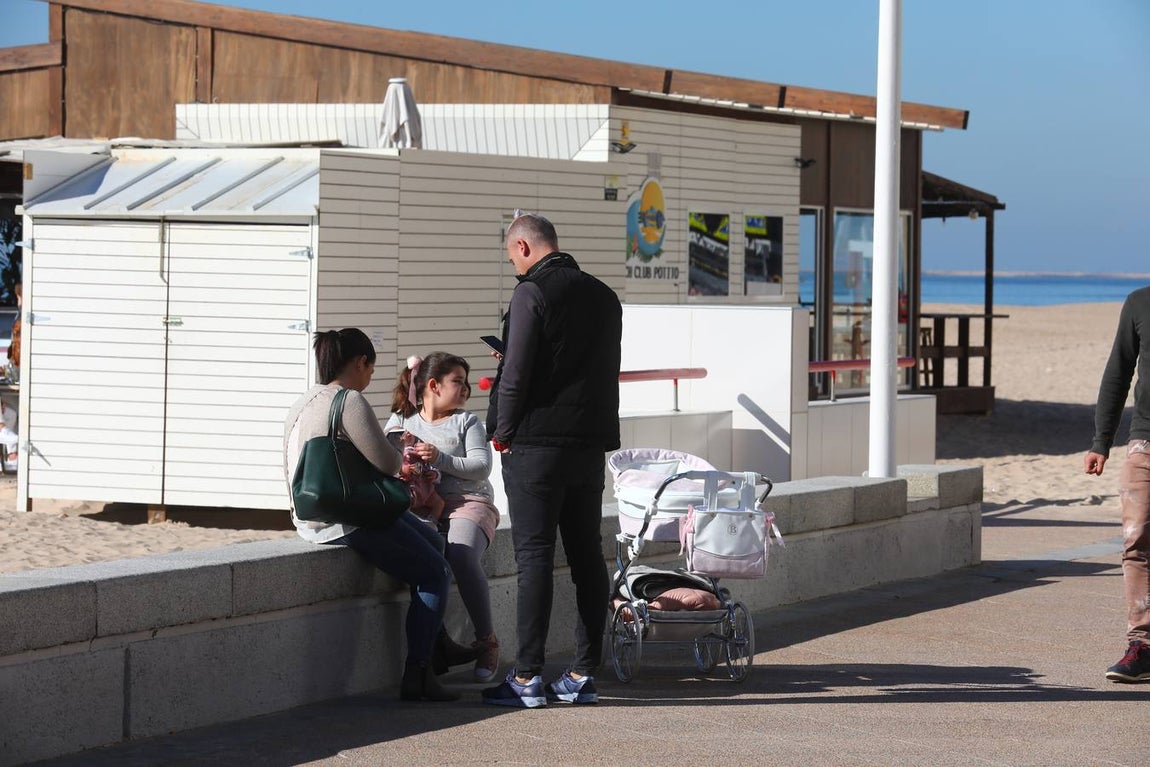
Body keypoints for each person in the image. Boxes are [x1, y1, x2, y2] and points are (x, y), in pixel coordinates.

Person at [481, 212, 622, 708]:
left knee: (535, 556)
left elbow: (516, 371)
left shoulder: (531, 293)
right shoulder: (605, 296)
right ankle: (584, 672)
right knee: (587, 555)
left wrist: (502, 429)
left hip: (537, 444)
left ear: (522, 246)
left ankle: (527, 677)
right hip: (588, 444)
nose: (515, 269)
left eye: (512, 259)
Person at [283, 328, 457, 702]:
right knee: (435, 572)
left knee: (431, 539)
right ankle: (419, 673)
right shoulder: (349, 401)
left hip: (310, 515)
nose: (370, 377)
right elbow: (388, 462)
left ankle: (439, 642)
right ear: (361, 362)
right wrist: (399, 449)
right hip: (346, 517)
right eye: (371, 369)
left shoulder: (304, 400)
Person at [386, 352, 502, 681]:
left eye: (466, 383)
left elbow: (481, 466)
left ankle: (487, 640)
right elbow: (383, 458)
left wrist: (440, 458)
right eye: (458, 382)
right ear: (433, 385)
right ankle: (437, 644)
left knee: (462, 554)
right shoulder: (401, 420)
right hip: (417, 504)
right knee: (418, 555)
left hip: (468, 501)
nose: (465, 389)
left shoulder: (468, 422)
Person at [1085, 285, 1150, 683]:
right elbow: (1118, 372)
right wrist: (1101, 442)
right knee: (1136, 542)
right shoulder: (1140, 302)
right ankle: (1141, 646)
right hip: (1145, 444)